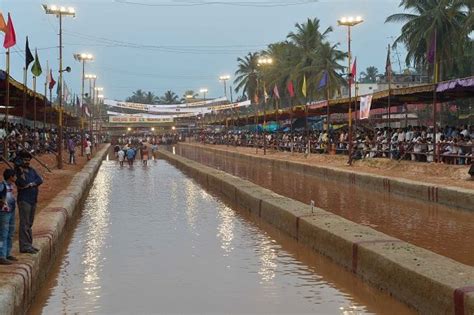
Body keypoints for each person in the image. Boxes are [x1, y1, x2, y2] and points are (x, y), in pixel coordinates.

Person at [15, 153, 43, 254]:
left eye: (28, 160)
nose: (27, 162)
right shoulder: (18, 172)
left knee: (29, 223)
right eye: (25, 160)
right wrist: (18, 166)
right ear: (21, 160)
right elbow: (21, 182)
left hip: (33, 199)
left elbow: (40, 179)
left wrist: (32, 184)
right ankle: (24, 246)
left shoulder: (31, 170)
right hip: (24, 200)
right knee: (24, 223)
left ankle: (29, 244)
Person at [0, 169, 17, 264]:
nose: (16, 177)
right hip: (4, 213)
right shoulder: (2, 186)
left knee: (10, 233)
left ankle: (7, 253)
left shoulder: (11, 185)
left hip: (11, 212)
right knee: (3, 234)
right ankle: (1, 255)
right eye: (14, 176)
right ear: (11, 177)